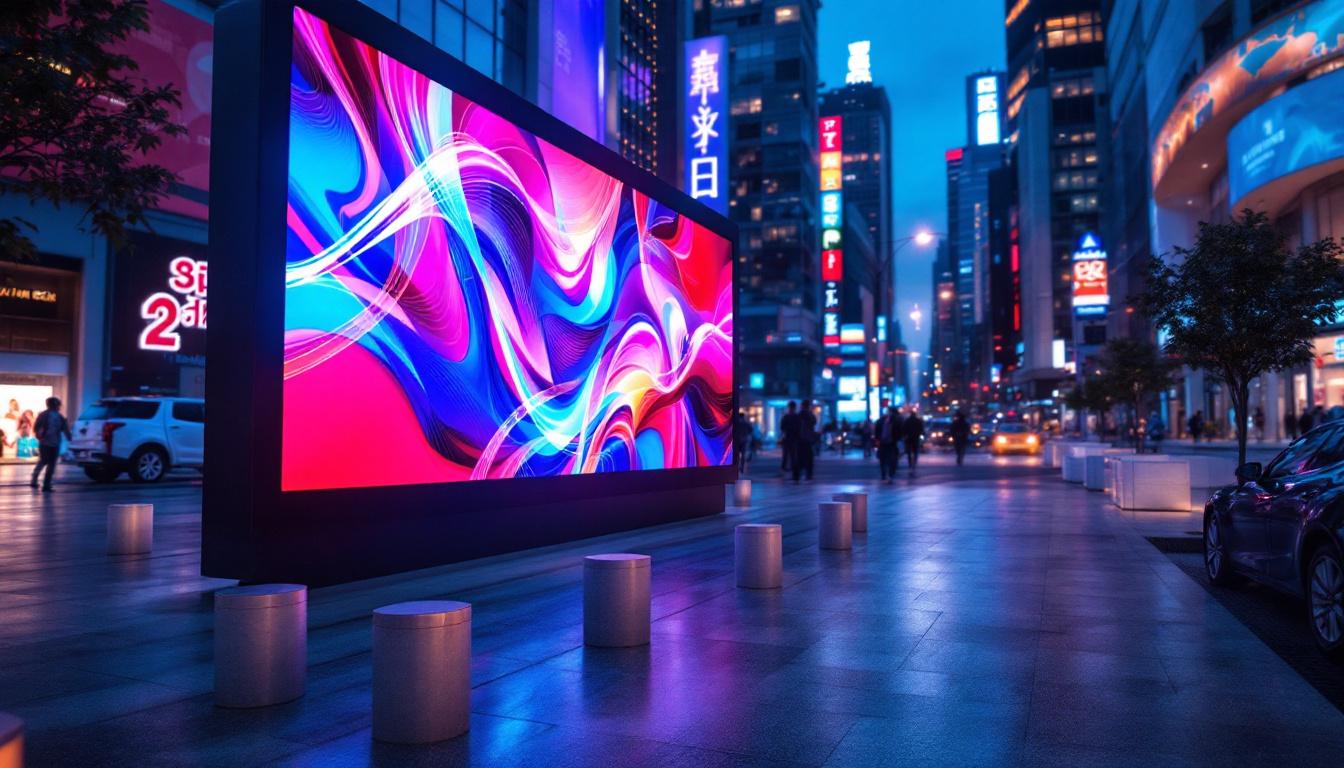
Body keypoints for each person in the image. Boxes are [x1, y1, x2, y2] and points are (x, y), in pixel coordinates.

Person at [31, 397, 71, 492]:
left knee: (43, 461)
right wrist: (70, 437)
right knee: (51, 464)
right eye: (58, 405)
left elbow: (36, 427)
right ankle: (46, 485)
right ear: (56, 405)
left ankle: (34, 479)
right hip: (54, 443)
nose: (59, 407)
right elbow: (65, 429)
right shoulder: (59, 416)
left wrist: (39, 436)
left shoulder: (43, 415)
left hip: (44, 442)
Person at [795, 399, 817, 482]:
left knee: (800, 457)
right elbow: (814, 422)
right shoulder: (809, 414)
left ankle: (798, 475)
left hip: (801, 438)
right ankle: (808, 474)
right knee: (809, 457)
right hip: (807, 438)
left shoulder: (800, 415)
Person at [877, 407, 900, 482]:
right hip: (890, 443)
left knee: (885, 459)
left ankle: (886, 474)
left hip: (886, 442)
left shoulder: (881, 421)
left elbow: (876, 431)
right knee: (890, 459)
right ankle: (889, 474)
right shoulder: (896, 420)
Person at [779, 401, 799, 477]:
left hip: (787, 437)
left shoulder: (786, 417)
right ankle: (793, 468)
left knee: (786, 454)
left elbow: (782, 427)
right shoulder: (796, 417)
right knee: (793, 454)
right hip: (794, 438)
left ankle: (784, 468)